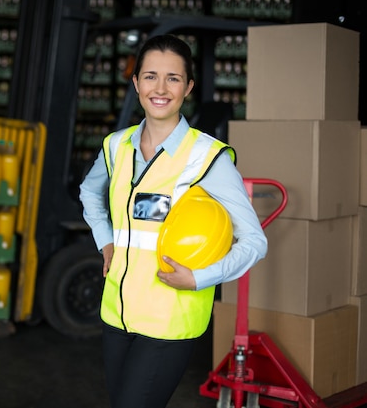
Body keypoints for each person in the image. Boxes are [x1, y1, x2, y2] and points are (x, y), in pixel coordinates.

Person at [78, 34, 267, 408]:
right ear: (135, 83)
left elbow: (254, 241)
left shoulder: (207, 157)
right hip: (117, 315)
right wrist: (106, 241)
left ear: (188, 86)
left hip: (169, 321)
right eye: (149, 76)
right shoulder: (117, 146)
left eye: (173, 78)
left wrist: (199, 279)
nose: (160, 88)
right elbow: (88, 192)